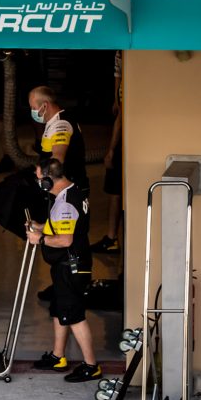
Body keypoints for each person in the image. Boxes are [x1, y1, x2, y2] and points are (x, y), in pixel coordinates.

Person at [28, 158, 101, 383]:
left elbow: (65, 240)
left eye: (40, 179)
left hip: (72, 266)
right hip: (66, 266)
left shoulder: (66, 203)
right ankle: (58, 356)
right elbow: (61, 226)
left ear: (49, 180)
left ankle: (91, 366)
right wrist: (39, 227)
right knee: (60, 310)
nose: (38, 182)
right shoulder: (69, 193)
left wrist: (39, 239)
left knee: (74, 315)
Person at [28, 86, 88, 198]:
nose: (32, 112)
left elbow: (58, 158)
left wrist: (41, 175)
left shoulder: (61, 125)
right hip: (60, 184)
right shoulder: (55, 120)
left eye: (33, 107)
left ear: (45, 105)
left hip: (65, 188)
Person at [91, 51, 124, 255]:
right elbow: (117, 73)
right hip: (125, 134)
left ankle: (112, 238)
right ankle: (112, 237)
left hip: (125, 140)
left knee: (115, 191)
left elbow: (122, 113)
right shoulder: (121, 54)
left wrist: (111, 150)